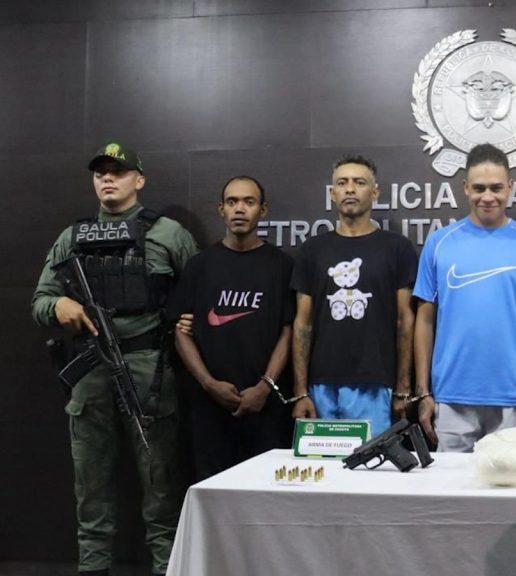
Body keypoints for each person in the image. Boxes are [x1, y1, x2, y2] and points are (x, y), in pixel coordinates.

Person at [31, 142, 198, 576]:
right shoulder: (73, 237)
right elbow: (41, 300)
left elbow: (199, 294)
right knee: (91, 486)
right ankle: (93, 569)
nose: (108, 179)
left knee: (160, 485)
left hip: (149, 371)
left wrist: (187, 326)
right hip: (90, 369)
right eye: (101, 172)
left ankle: (168, 568)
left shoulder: (168, 234)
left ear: (138, 180)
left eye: (118, 172)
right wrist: (59, 308)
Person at [413, 143, 516, 452]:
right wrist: (424, 392)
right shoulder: (440, 243)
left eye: (496, 188)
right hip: (450, 397)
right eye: (479, 188)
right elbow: (424, 319)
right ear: (465, 188)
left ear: (511, 187)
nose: (488, 196)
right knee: (452, 495)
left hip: (515, 397)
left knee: (511, 495)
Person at [171, 176, 295, 481]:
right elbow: (180, 332)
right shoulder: (199, 266)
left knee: (267, 496)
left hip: (266, 407)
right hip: (210, 409)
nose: (240, 209)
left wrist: (264, 387)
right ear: (221, 209)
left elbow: (289, 332)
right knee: (214, 497)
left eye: (249, 202)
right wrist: (209, 383)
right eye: (232, 202)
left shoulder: (283, 266)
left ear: (263, 210)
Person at [290, 156, 417, 436]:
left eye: (359, 182)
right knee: (322, 472)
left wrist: (403, 387)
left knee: (369, 471)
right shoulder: (313, 250)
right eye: (342, 183)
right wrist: (300, 392)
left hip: (374, 382)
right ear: (332, 193)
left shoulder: (397, 248)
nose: (350, 189)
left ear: (375, 193)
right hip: (320, 385)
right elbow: (302, 324)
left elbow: (404, 321)